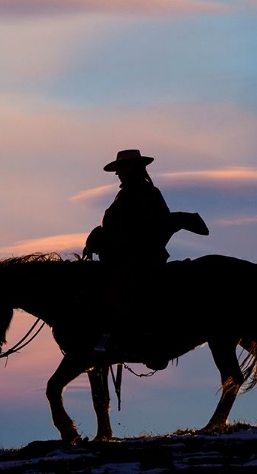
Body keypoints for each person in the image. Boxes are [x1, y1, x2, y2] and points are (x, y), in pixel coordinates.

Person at [83, 149, 208, 370]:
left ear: (135, 167)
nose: (118, 173)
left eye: (122, 168)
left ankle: (149, 341)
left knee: (131, 292)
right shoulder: (127, 194)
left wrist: (110, 240)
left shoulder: (146, 193)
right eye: (118, 169)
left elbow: (145, 229)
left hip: (141, 259)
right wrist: (98, 237)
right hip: (123, 258)